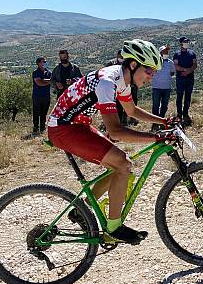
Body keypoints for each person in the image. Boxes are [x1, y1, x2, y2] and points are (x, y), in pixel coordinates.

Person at [47, 39, 169, 244]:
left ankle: (82, 210)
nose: (151, 76)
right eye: (149, 71)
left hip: (76, 125)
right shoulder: (107, 82)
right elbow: (115, 131)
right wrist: (156, 136)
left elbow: (131, 111)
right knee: (122, 164)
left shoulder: (121, 78)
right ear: (133, 65)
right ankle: (113, 228)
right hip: (64, 129)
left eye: (154, 72)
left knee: (119, 166)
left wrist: (163, 121)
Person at [106, 50, 139, 126]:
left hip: (129, 86)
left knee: (132, 102)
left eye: (123, 56)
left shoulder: (127, 63)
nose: (122, 58)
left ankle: (130, 119)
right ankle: (119, 122)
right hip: (117, 88)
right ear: (117, 56)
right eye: (120, 56)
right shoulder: (111, 63)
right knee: (118, 105)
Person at [173, 36, 197, 125]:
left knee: (188, 96)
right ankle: (179, 114)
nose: (186, 43)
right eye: (185, 42)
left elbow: (195, 64)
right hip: (180, 78)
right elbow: (175, 66)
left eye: (187, 41)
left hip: (190, 78)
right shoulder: (176, 54)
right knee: (179, 96)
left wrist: (189, 71)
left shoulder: (192, 53)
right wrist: (185, 70)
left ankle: (185, 113)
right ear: (181, 43)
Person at [151, 45, 176, 131]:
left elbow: (172, 72)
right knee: (155, 106)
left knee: (164, 106)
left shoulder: (170, 62)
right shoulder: (155, 62)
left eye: (167, 52)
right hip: (156, 87)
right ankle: (155, 123)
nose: (166, 53)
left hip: (166, 87)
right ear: (160, 52)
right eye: (164, 51)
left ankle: (161, 121)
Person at [32, 56, 52, 133]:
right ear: (38, 63)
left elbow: (52, 81)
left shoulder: (49, 72)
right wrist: (48, 82)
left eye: (45, 61)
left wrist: (44, 81)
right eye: (43, 61)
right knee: (36, 112)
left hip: (46, 96)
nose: (44, 63)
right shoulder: (35, 72)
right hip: (37, 96)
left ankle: (42, 127)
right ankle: (36, 127)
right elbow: (39, 83)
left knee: (44, 112)